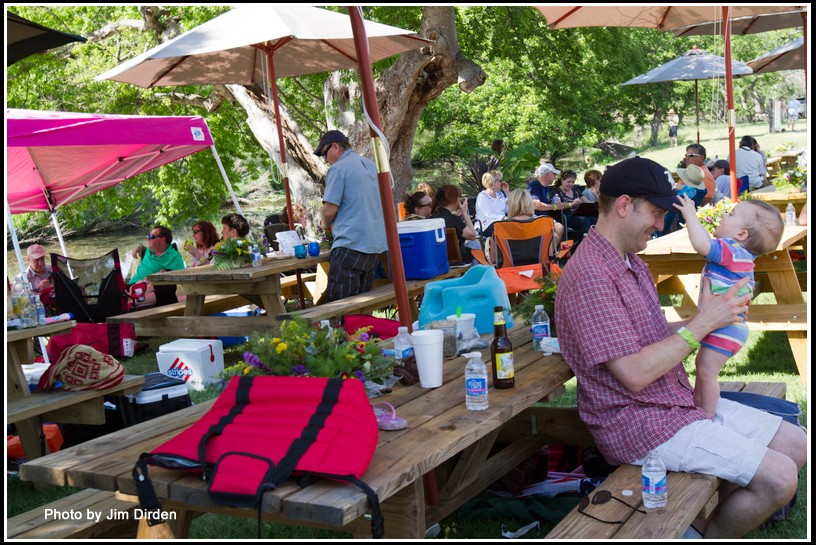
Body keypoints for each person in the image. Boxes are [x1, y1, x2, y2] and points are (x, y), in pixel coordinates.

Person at [554, 156, 805, 539]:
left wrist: (715, 317)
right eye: (655, 212)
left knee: (797, 444)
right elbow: (634, 374)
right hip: (639, 423)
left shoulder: (628, 260)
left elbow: (652, 332)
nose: (660, 223)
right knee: (780, 477)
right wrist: (705, 321)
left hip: (673, 402)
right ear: (624, 205)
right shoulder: (591, 275)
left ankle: (701, 524)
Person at [673, 195, 784, 418]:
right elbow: (707, 242)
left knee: (706, 372)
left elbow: (702, 245)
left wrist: (690, 216)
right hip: (728, 326)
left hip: (726, 328)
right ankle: (697, 411)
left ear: (741, 235)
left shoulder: (732, 251)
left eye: (731, 214)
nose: (724, 215)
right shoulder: (736, 253)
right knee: (703, 368)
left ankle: (708, 417)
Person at [315, 130, 387, 302]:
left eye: (324, 153)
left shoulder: (338, 168)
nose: (325, 159)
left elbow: (329, 211)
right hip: (373, 247)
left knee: (339, 308)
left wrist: (324, 223)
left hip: (349, 245)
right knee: (362, 309)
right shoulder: (370, 164)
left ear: (336, 147)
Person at [128, 225, 186, 307]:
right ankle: (131, 297)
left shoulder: (174, 257)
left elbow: (180, 281)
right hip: (131, 285)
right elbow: (143, 248)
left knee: (169, 286)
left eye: (151, 236)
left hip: (148, 288)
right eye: (148, 236)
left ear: (162, 239)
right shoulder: (148, 250)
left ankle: (132, 301)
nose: (148, 239)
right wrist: (139, 246)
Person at [431, 184, 478, 264]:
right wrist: (464, 212)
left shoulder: (431, 218)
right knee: (475, 243)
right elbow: (473, 236)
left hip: (437, 259)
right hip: (457, 260)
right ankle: (476, 274)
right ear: (456, 200)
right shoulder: (453, 219)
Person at [554, 170, 596, 242]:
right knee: (585, 221)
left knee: (596, 220)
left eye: (573, 182)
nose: (571, 184)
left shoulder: (575, 190)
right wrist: (572, 204)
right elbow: (555, 206)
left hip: (579, 214)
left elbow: (588, 202)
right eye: (568, 182)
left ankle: (595, 242)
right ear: (562, 180)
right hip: (566, 217)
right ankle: (581, 244)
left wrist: (598, 203)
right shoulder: (556, 191)